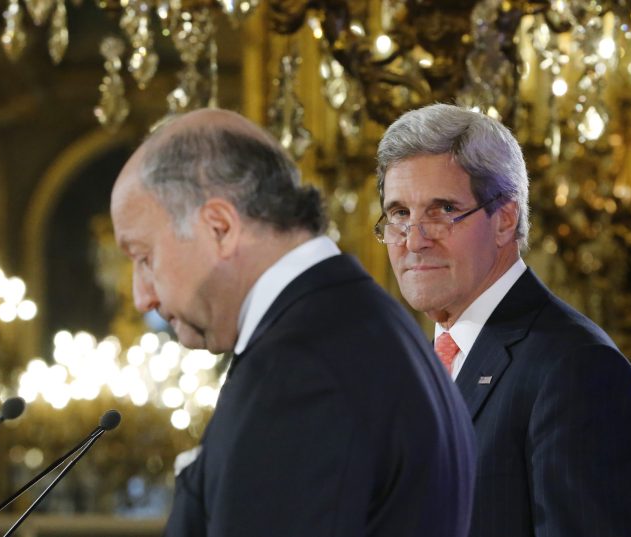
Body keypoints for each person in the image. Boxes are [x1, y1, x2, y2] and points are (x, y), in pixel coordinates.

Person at [110, 108, 477, 537]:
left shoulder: (300, 370)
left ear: (220, 227)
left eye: (144, 257)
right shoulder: (360, 322)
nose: (142, 297)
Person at [375, 103, 631, 537]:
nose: (414, 240)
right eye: (399, 214)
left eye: (443, 210)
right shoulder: (415, 364)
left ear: (505, 219)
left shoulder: (577, 369)